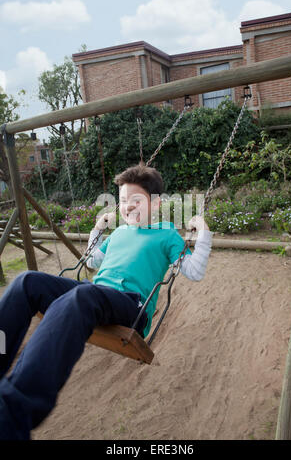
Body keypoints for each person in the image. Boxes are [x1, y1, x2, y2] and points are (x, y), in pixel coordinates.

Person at [0, 164, 212, 440]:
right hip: (95, 295)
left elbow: (193, 271)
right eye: (123, 201)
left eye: (136, 201)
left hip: (130, 305)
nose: (128, 207)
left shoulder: (167, 235)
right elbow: (90, 261)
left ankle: (14, 411)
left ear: (156, 203)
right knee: (27, 282)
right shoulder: (119, 234)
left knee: (81, 296)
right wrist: (97, 230)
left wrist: (203, 234)